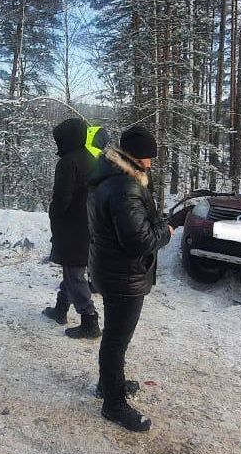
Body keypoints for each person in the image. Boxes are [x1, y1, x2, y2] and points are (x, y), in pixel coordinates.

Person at [87, 126, 173, 432]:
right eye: (149, 157)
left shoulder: (109, 177)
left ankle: (108, 384)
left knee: (113, 337)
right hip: (123, 275)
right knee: (116, 340)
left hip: (110, 270)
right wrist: (168, 230)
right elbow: (138, 241)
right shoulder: (125, 187)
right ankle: (113, 403)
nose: (151, 164)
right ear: (137, 157)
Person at [42, 117, 101, 339]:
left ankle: (89, 319)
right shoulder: (91, 158)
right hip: (90, 225)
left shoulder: (68, 162)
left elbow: (62, 198)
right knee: (72, 270)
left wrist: (54, 215)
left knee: (74, 273)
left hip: (72, 226)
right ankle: (61, 308)